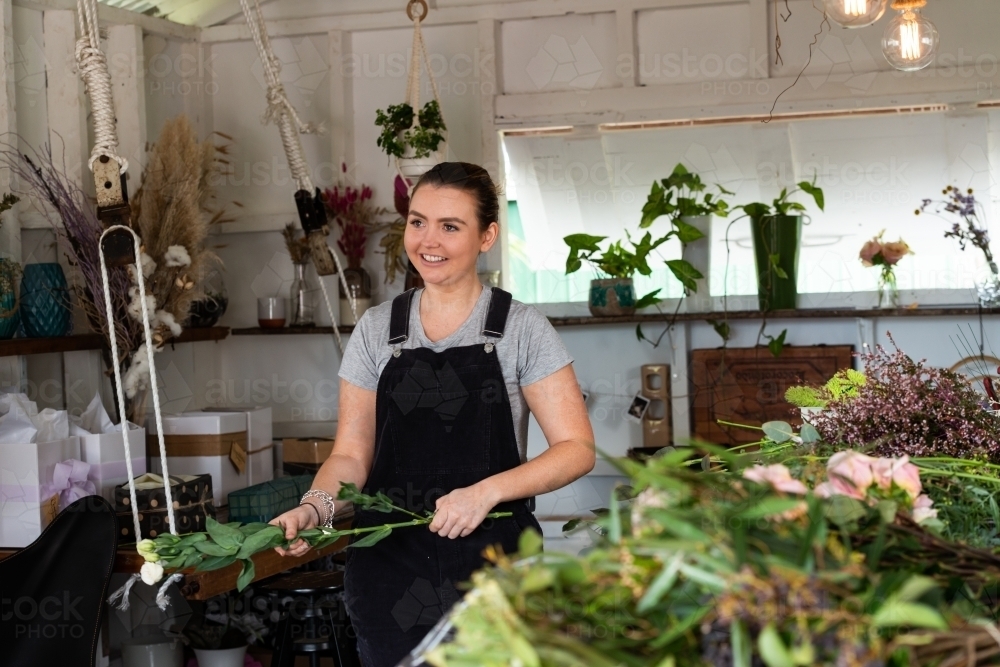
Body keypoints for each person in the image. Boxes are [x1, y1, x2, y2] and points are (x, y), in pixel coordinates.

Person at [269, 162, 596, 667]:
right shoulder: (378, 331)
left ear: (487, 236)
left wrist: (485, 493)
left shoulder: (522, 329)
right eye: (418, 221)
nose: (428, 240)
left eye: (450, 226)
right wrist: (316, 508)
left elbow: (577, 450)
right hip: (390, 572)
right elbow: (351, 455)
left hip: (494, 566)